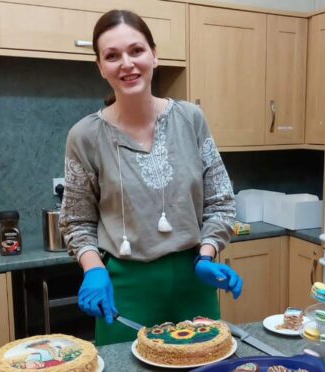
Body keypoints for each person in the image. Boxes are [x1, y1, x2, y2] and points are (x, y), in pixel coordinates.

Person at [59, 9, 243, 346]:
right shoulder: (85, 136)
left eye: (136, 50)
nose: (126, 63)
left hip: (194, 282)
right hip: (126, 290)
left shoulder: (191, 119)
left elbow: (220, 201)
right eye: (112, 56)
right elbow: (76, 222)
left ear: (154, 55)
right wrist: (93, 270)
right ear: (101, 67)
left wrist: (207, 253)